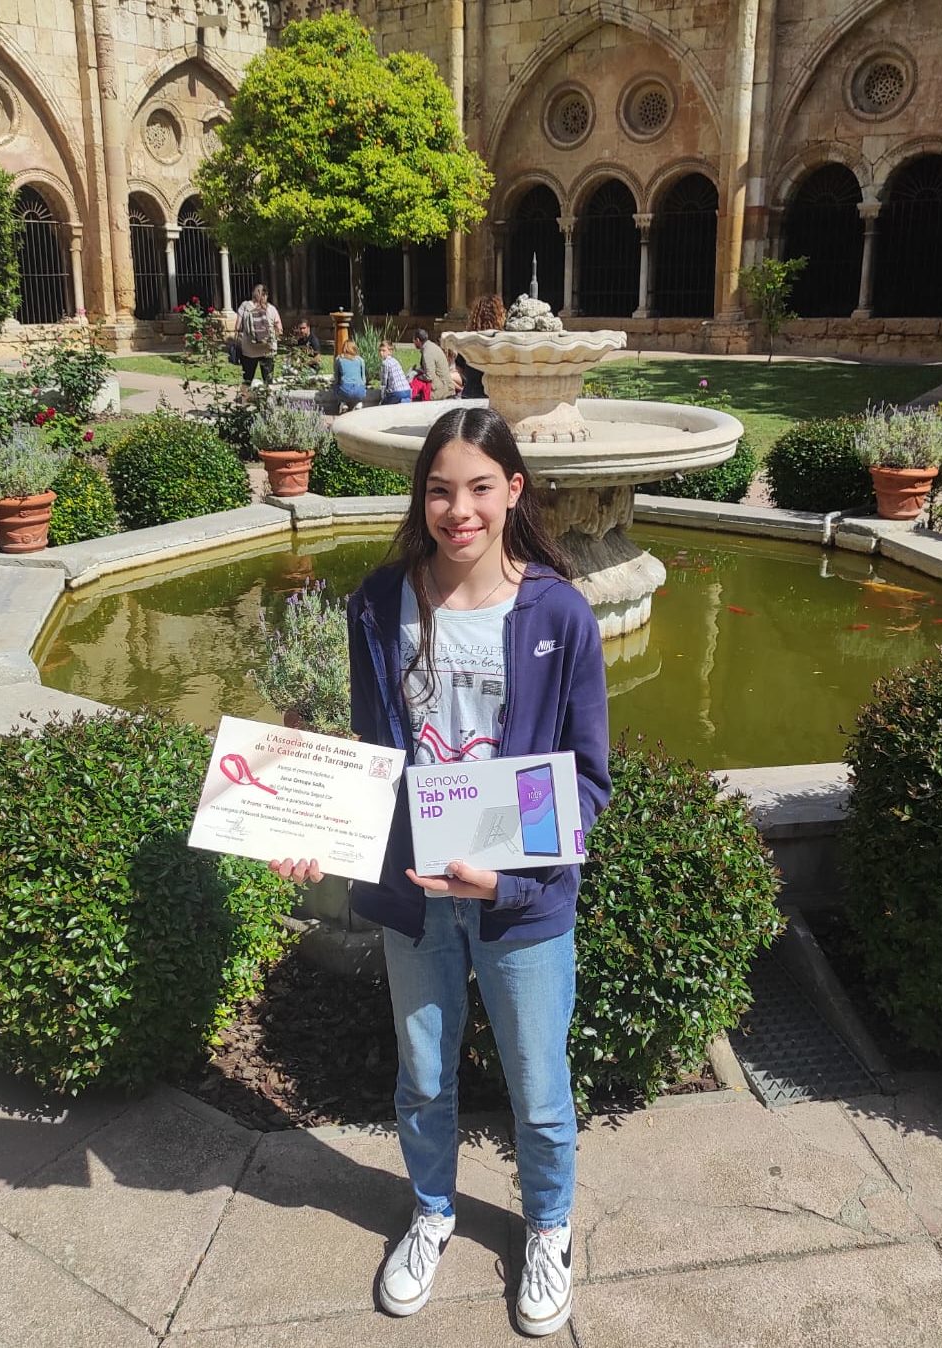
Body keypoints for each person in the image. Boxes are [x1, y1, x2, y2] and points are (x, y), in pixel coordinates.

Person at [271, 406, 611, 1338]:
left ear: (515, 493)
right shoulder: (379, 603)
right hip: (413, 899)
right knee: (423, 1078)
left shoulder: (561, 614)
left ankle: (548, 1229)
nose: (458, 510)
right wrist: (319, 829)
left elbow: (585, 781)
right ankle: (431, 1213)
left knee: (539, 1089)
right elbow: (373, 754)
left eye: (479, 488)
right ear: (420, 497)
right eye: (438, 490)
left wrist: (504, 879)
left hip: (519, 904)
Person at [234, 283, 282, 391]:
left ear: (253, 294)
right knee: (268, 380)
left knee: (247, 380)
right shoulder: (272, 309)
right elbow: (279, 329)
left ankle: (244, 402)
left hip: (249, 350)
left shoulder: (245, 306)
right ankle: (269, 403)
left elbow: (237, 326)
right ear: (266, 295)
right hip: (268, 350)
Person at [457, 294, 506, 400]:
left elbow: (459, 367)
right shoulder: (502, 340)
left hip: (470, 393)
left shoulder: (469, 339)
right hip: (494, 394)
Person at [412, 328, 455, 401]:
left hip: (442, 389)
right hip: (445, 385)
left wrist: (417, 377)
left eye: (414, 341)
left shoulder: (427, 352)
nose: (414, 343)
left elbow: (429, 376)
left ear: (418, 340)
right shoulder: (431, 346)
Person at [333, 339, 368, 411]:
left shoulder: (339, 359)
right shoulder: (360, 360)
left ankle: (343, 403)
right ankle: (359, 403)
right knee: (360, 387)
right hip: (360, 391)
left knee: (336, 386)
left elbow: (336, 378)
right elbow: (364, 380)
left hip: (345, 390)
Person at [379, 340, 412, 404]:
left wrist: (382, 398)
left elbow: (384, 383)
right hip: (407, 391)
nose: (381, 353)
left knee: (384, 404)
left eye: (383, 350)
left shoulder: (385, 363)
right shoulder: (395, 361)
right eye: (380, 350)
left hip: (396, 392)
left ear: (390, 351)